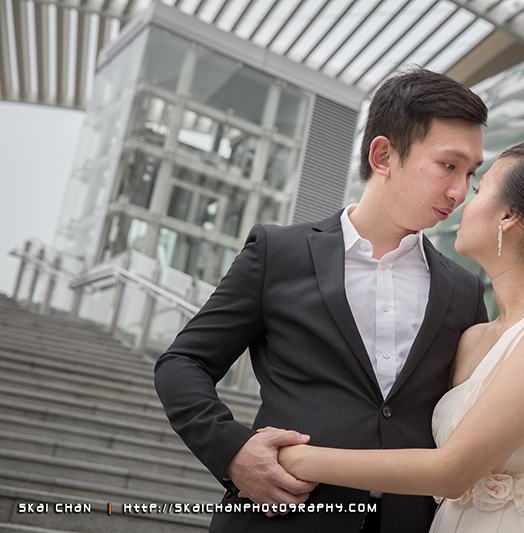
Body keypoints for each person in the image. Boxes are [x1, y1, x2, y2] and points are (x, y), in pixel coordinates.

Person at [153, 67, 489, 533]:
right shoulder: (279, 253)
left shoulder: (465, 289)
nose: (461, 192)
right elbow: (183, 361)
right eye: (449, 166)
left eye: (472, 173)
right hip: (281, 516)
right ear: (383, 155)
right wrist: (232, 451)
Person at [273, 141, 524, 532]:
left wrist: (288, 459)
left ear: (509, 215)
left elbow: (451, 471)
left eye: (479, 191)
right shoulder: (471, 338)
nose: (462, 201)